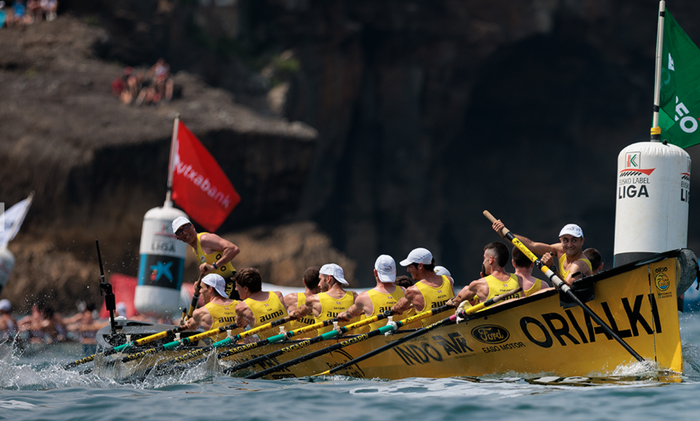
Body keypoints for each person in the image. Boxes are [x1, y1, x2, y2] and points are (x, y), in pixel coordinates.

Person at [493, 220, 592, 285]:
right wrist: (504, 233)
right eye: (566, 240)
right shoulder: (560, 250)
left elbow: (566, 291)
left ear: (582, 241)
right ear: (560, 240)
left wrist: (552, 268)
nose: (569, 245)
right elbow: (531, 245)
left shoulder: (579, 265)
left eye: (574, 240)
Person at [173, 216, 241, 300]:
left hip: (230, 281)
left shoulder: (204, 239)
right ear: (178, 238)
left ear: (193, 227)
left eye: (186, 227)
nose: (184, 232)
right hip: (220, 286)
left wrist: (214, 266)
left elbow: (233, 249)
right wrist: (200, 283)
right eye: (179, 231)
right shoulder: (195, 248)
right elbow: (209, 270)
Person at [338, 255, 407, 331]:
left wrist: (343, 315)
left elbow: (351, 313)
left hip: (379, 343)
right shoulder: (404, 292)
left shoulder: (364, 297)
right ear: (395, 272)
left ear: (375, 272)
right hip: (403, 342)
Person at [391, 247, 455, 327]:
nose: (408, 270)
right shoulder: (448, 280)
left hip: (432, 337)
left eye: (410, 266)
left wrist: (394, 308)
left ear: (420, 266)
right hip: (455, 333)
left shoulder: (413, 291)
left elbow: (399, 307)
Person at [447, 242, 521, 309]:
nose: (483, 262)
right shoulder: (519, 280)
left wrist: (451, 301)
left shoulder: (480, 284)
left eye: (484, 258)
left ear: (491, 260)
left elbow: (459, 299)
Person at [291, 263, 358, 335]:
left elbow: (300, 313)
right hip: (349, 345)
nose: (318, 284)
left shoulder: (314, 300)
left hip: (323, 345)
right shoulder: (354, 297)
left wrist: (293, 314)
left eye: (320, 279)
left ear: (329, 279)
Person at [234, 268, 289, 339]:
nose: (235, 289)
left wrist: (238, 318)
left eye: (237, 286)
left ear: (245, 289)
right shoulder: (278, 295)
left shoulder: (242, 307)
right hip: (291, 343)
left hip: (269, 348)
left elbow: (239, 324)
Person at [182, 274, 239, 341]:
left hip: (218, 350)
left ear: (210, 289)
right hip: (243, 349)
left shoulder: (201, 312)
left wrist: (185, 321)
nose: (200, 291)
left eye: (202, 288)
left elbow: (191, 328)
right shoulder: (240, 305)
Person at [283, 266, 321, 338]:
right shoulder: (325, 300)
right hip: (318, 346)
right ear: (320, 283)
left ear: (303, 281)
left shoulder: (290, 298)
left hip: (294, 345)